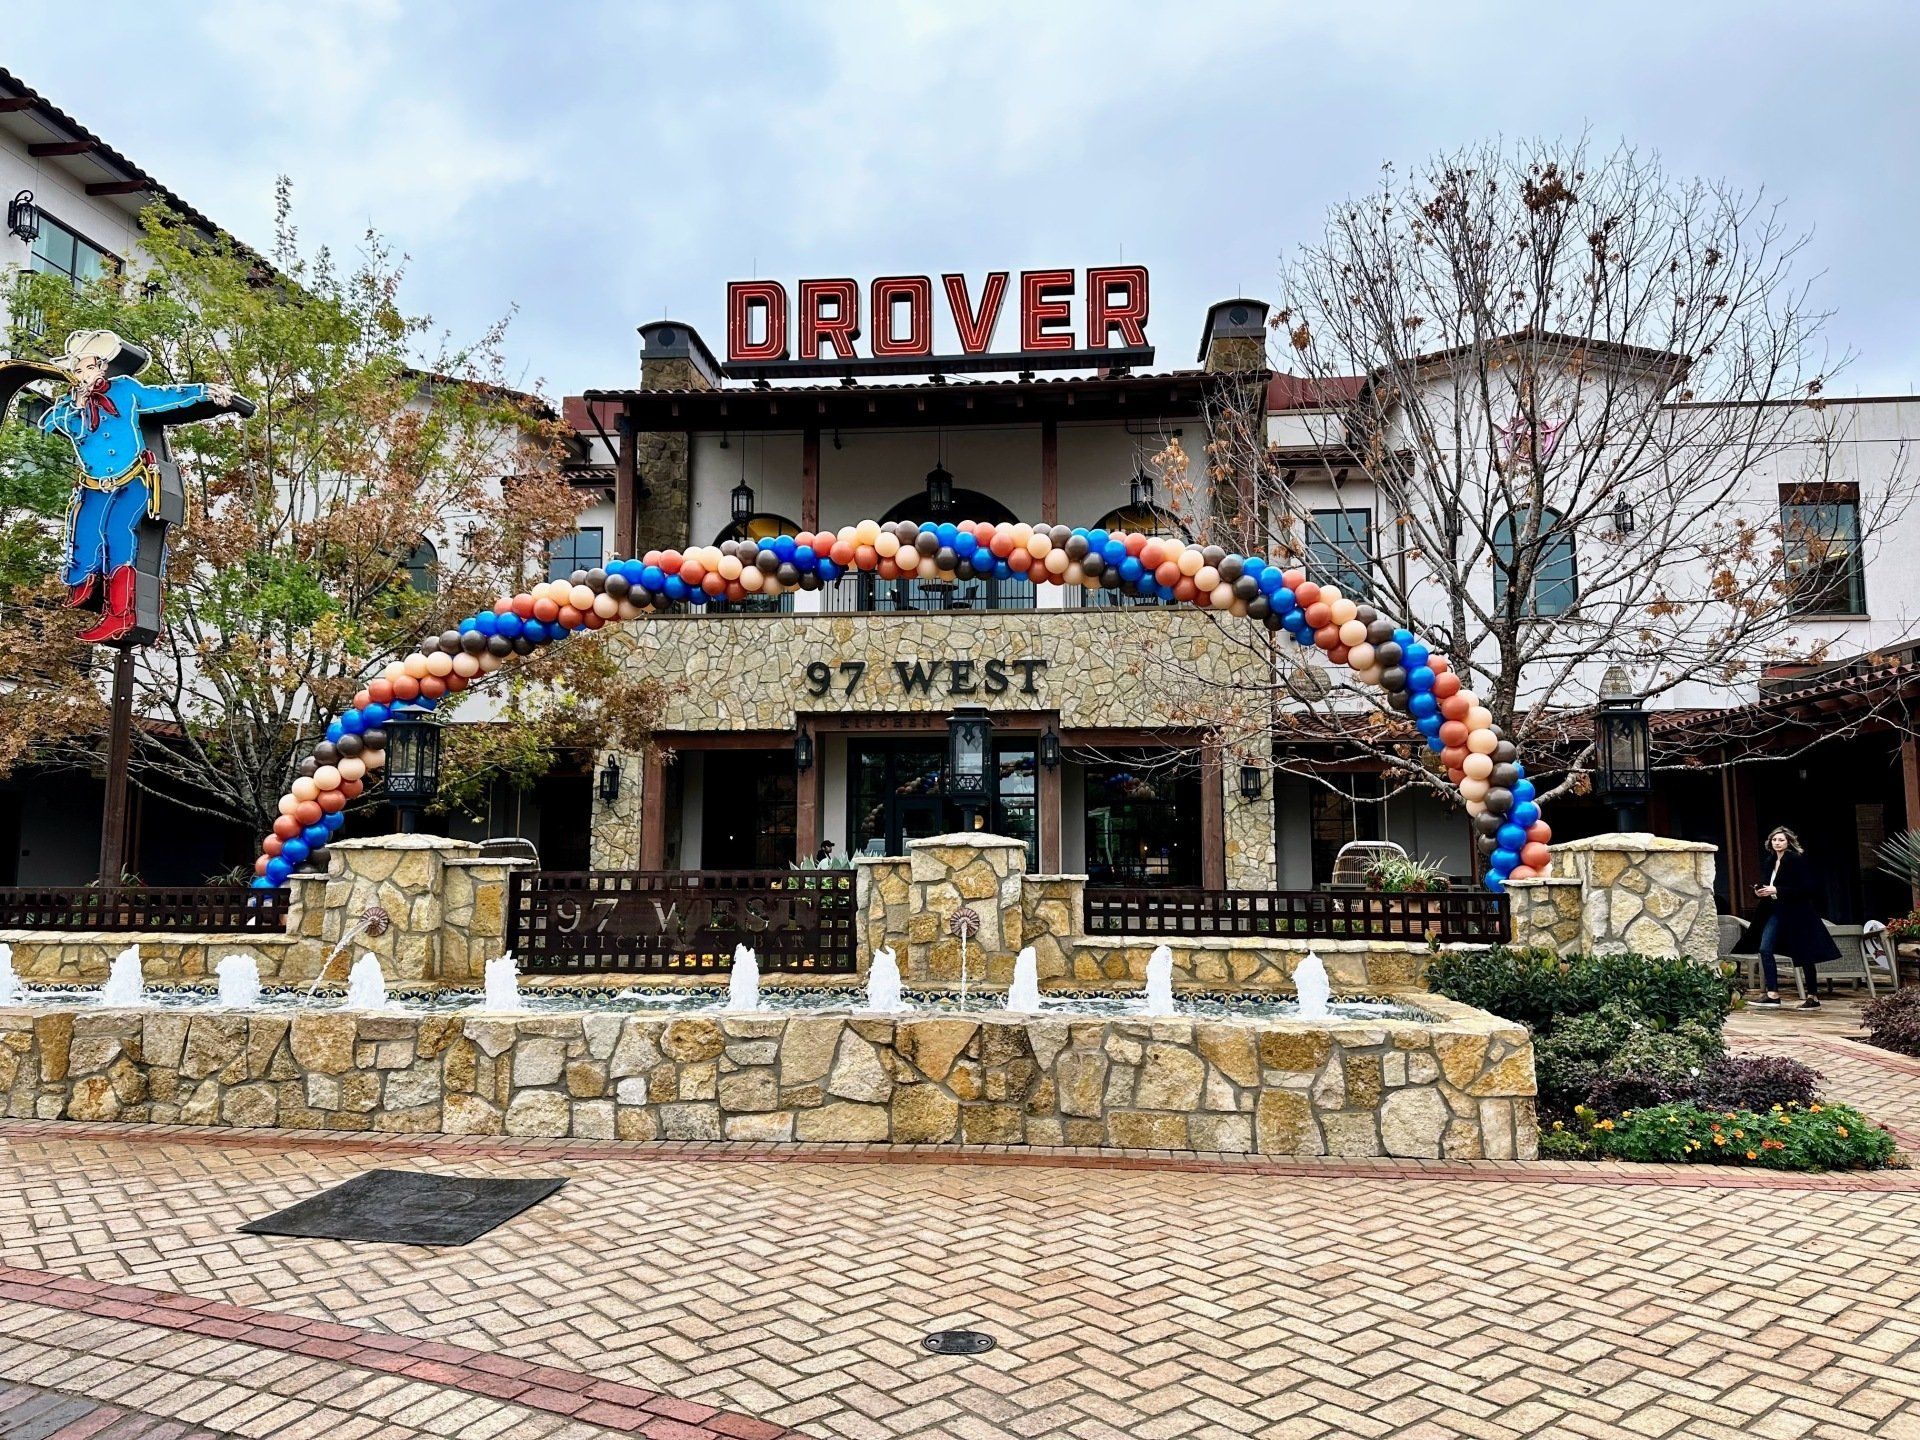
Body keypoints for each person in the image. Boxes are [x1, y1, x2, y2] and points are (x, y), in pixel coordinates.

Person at [40, 329, 234, 644]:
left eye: (89, 367)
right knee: (84, 533)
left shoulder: (125, 390)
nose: (83, 375)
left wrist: (206, 391)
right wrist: (76, 405)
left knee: (117, 534)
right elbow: (52, 424)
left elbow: (166, 398)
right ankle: (82, 584)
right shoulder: (69, 406)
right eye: (76, 370)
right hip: (93, 485)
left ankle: (121, 614)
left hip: (131, 481)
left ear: (102, 367)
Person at [1748, 826, 1838, 1009]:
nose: (1777, 843)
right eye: (1774, 840)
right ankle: (1773, 994)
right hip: (1775, 910)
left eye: (1781, 840)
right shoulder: (1769, 861)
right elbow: (1768, 885)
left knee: (1805, 953)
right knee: (1765, 948)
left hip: (1798, 913)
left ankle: (1813, 996)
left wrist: (1778, 890)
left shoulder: (1796, 861)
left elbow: (1808, 889)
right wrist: (1760, 891)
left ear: (1788, 842)